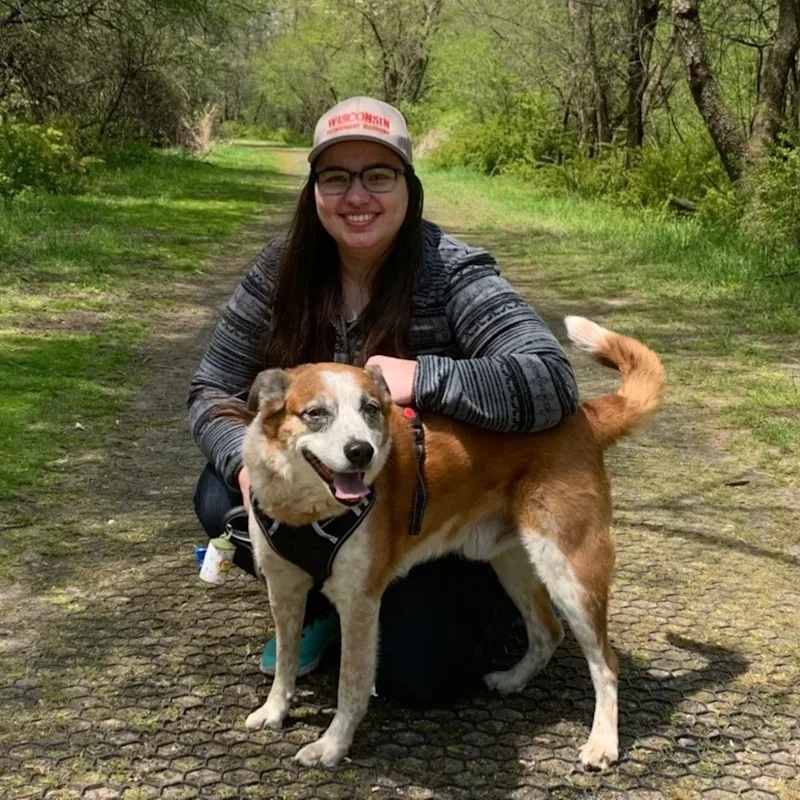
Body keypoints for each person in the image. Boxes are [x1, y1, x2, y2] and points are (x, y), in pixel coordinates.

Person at [188, 96, 579, 708]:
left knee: (414, 677)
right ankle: (323, 597)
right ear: (313, 189)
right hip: (335, 501)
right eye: (336, 177)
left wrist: (424, 378)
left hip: (437, 515)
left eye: (379, 175)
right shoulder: (279, 272)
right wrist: (243, 466)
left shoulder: (453, 271)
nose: (357, 196)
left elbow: (550, 380)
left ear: (408, 186)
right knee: (217, 494)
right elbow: (211, 389)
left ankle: (502, 598)